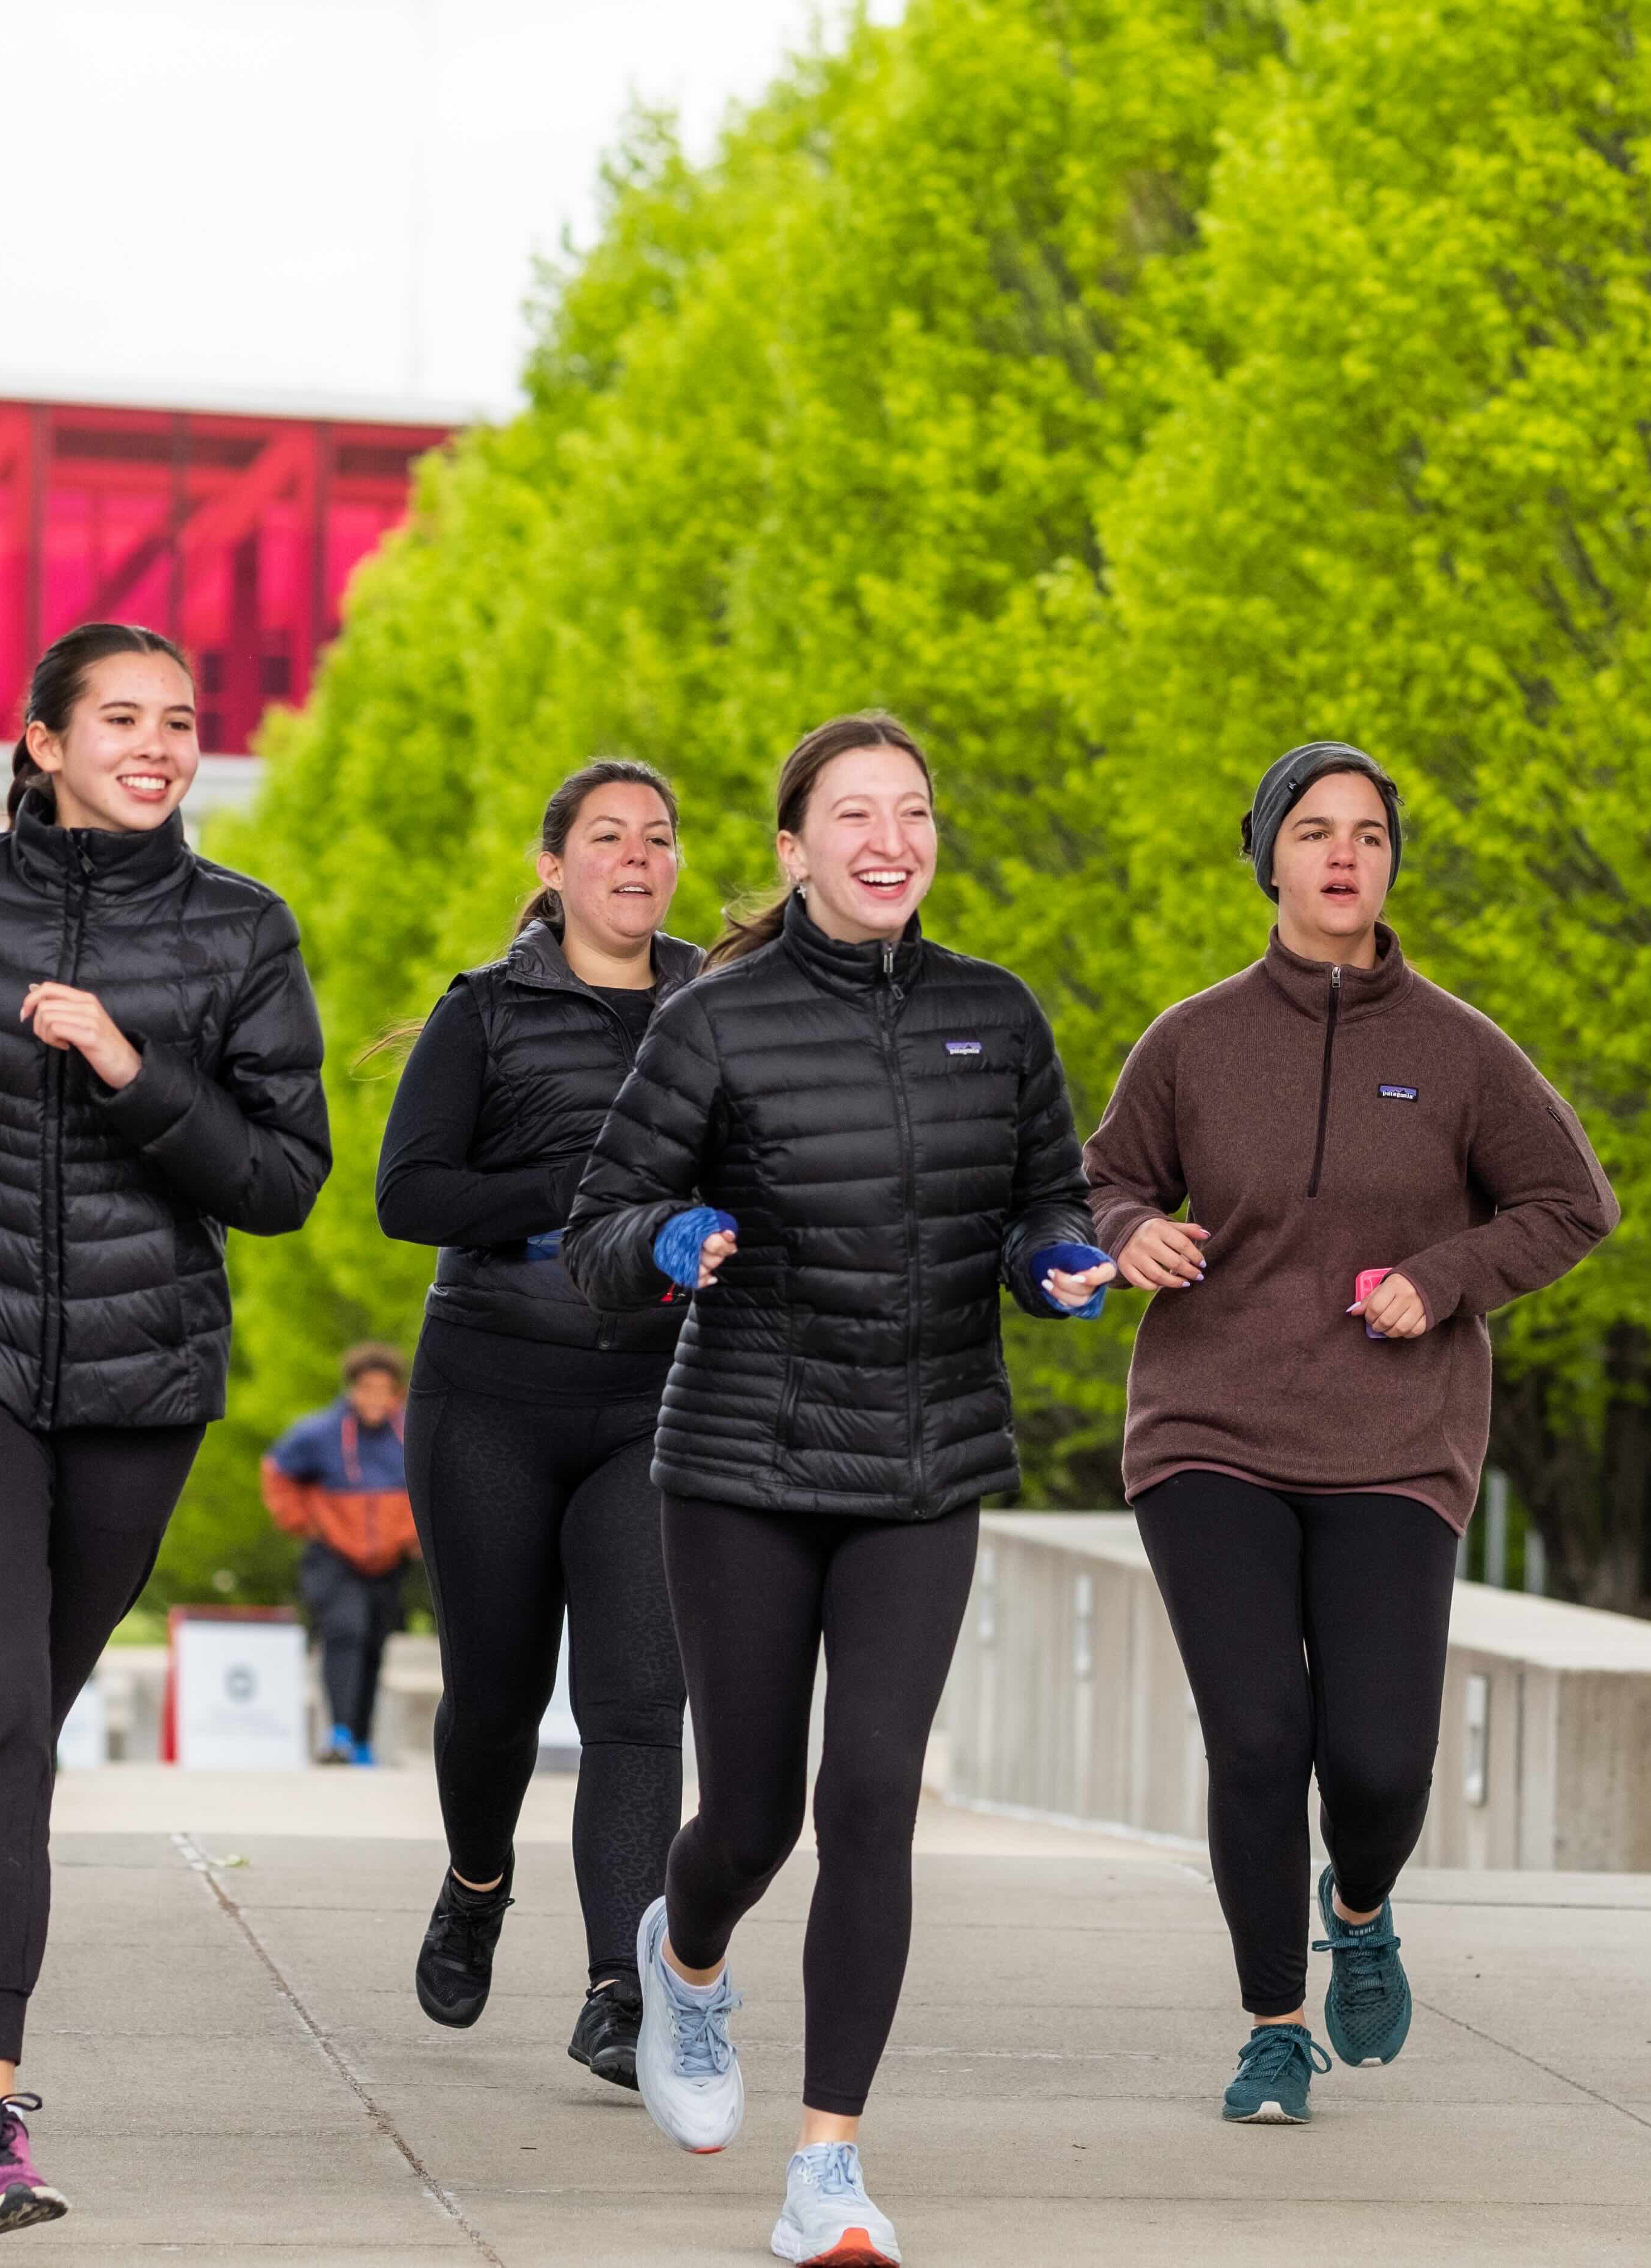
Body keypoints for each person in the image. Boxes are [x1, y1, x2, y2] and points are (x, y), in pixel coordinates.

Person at [565, 712, 1114, 2268]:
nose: (890, 839)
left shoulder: (994, 1017)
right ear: (793, 850)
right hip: (739, 1463)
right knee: (745, 1813)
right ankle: (681, 1961)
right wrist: (664, 1246)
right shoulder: (713, 1023)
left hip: (922, 1460)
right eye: (853, 815)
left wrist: (1053, 1261)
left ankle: (826, 2167)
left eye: (914, 812)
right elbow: (603, 1217)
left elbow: (1040, 1200)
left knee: (868, 1798)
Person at [0, 619, 329, 2242]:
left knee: (25, 1718)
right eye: (122, 716)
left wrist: (128, 1067)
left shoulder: (241, 929)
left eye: (180, 721)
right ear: (42, 739)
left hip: (141, 1379)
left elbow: (280, 1181)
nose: (158, 743)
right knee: (9, 1710)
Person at [1086, 741, 1615, 2125]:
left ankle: (1359, 1902)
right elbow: (1104, 1181)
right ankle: (1272, 2025)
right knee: (1257, 1737)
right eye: (1313, 831)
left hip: (1394, 1439)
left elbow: (1569, 1205)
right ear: (1265, 856)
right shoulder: (1189, 1040)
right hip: (1207, 1426)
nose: (1341, 855)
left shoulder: (1455, 1049)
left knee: (1375, 1760)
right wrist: (1132, 1232)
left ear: (1388, 862)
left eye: (1367, 835)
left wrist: (1436, 1281)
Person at [371, 756, 697, 2086]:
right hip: (493, 1390)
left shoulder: (716, 1010)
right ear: (554, 865)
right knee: (497, 1698)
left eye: (659, 838)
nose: (637, 856)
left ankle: (622, 1987)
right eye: (608, 837)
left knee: (634, 1704)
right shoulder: (487, 1010)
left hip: (655, 1399)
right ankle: (475, 1876)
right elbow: (409, 1193)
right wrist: (574, 1189)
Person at [260, 1343, 419, 1764]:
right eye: (365, 1388)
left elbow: (441, 1484)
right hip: (333, 1554)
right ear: (351, 1389)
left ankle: (363, 1739)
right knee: (344, 1631)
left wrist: (417, 1534)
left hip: (389, 1559)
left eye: (383, 1390)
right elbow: (276, 1471)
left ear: (396, 1393)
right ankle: (340, 1733)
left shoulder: (413, 1433)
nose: (373, 1399)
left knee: (373, 1644)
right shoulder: (319, 1432)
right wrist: (300, 1521)